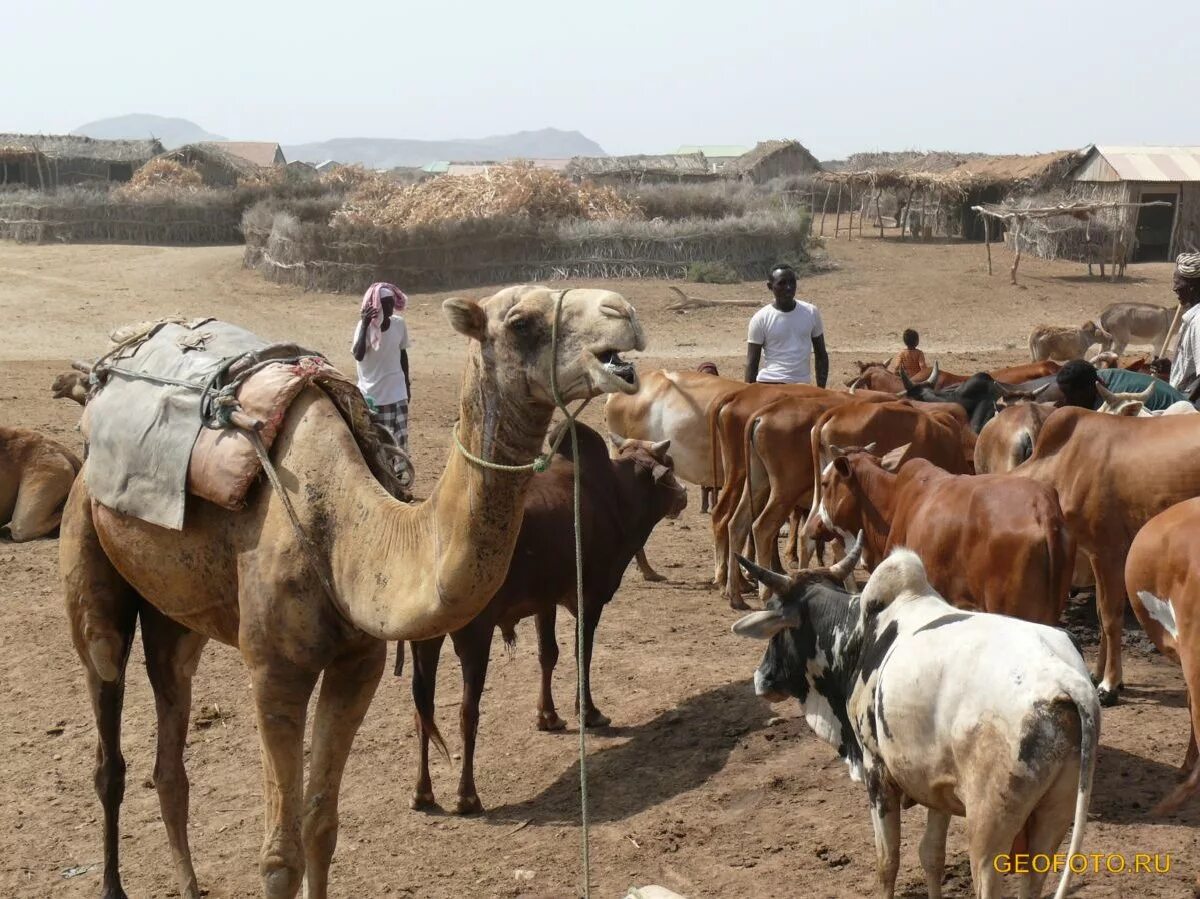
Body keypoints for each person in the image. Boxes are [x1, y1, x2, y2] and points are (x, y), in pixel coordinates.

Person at [352, 282, 412, 458]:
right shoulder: (366, 328)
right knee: (380, 441)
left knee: (400, 439)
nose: (390, 307)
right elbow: (358, 354)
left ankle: (400, 475)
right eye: (385, 304)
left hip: (397, 392)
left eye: (391, 303)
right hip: (374, 395)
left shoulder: (399, 324)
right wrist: (364, 325)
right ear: (376, 305)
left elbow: (403, 355)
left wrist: (407, 385)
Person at [745, 264, 828, 387]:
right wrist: (749, 397)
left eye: (792, 282)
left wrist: (821, 391)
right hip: (770, 383)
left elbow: (821, 354)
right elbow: (752, 363)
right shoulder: (760, 318)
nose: (788, 287)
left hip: (801, 385)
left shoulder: (811, 312)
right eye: (781, 283)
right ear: (770, 286)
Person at [1055, 358, 1188, 411]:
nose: (1068, 401)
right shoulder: (1101, 376)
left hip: (1186, 421)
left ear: (1090, 389)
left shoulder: (1117, 398)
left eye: (1072, 396)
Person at [1169, 252, 1200, 396]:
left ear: (1192, 287)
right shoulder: (1191, 316)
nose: (1174, 288)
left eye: (1177, 283)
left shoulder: (1198, 321)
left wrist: (1182, 402)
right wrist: (1170, 368)